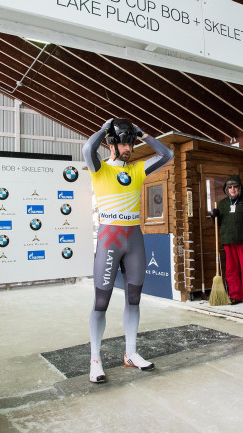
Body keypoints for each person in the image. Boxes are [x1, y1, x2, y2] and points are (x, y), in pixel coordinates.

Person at [82, 117, 173, 383]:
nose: (128, 147)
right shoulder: (100, 169)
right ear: (111, 143)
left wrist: (142, 133)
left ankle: (131, 353)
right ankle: (95, 359)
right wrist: (104, 127)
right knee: (101, 302)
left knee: (134, 299)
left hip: (133, 238)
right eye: (123, 142)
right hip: (110, 238)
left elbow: (166, 154)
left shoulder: (136, 170)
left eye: (130, 142)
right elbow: (88, 150)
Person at [211, 175, 243, 306]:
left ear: (240, 188)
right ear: (226, 189)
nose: (233, 189)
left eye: (235, 186)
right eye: (230, 187)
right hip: (228, 241)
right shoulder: (222, 204)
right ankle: (235, 295)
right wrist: (214, 216)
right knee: (231, 270)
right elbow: (218, 223)